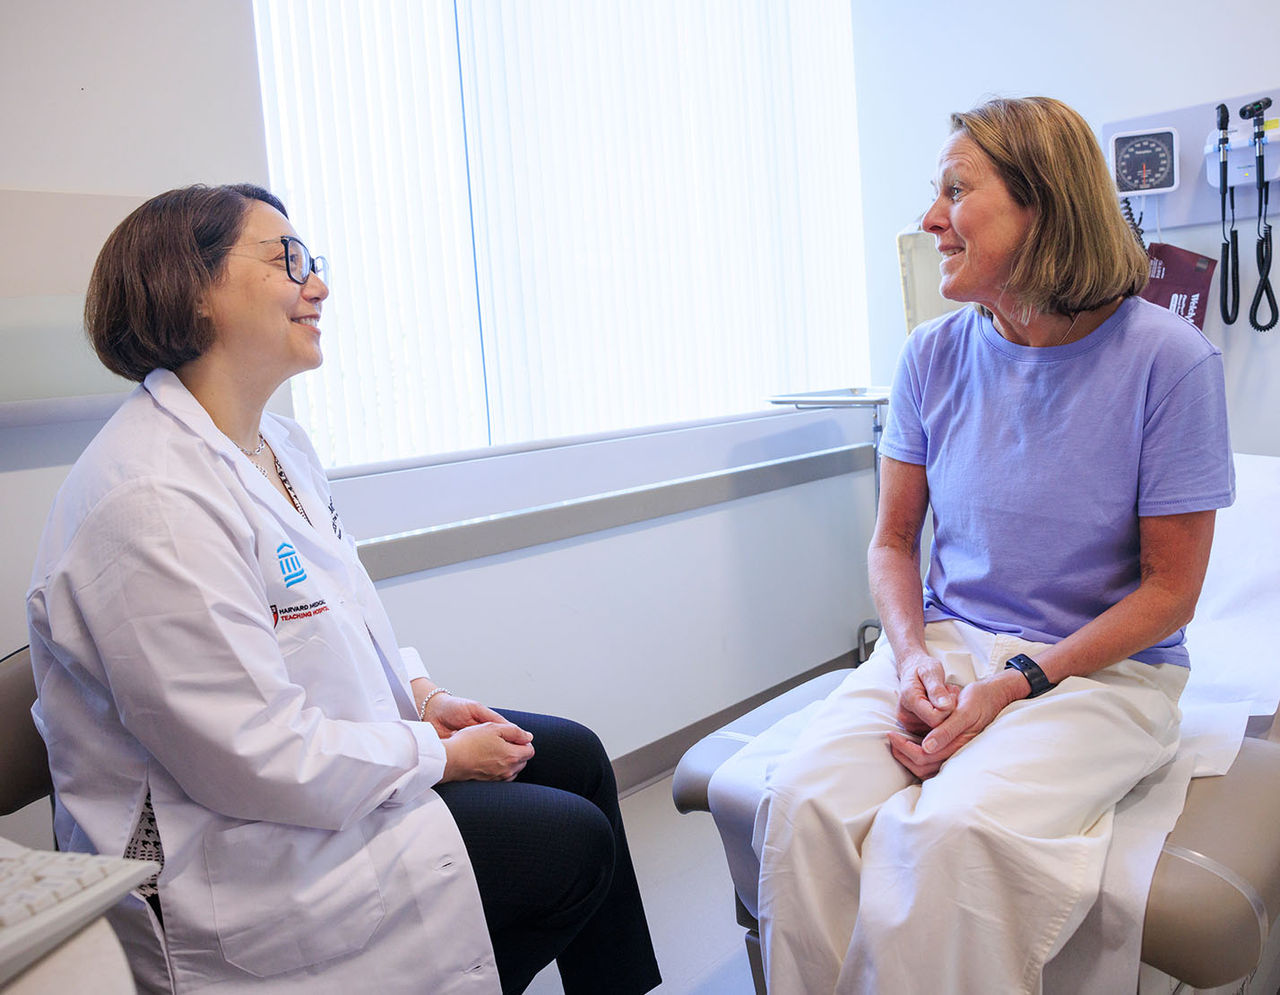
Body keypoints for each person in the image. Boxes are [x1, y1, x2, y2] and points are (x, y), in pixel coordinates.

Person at [26, 184, 661, 995]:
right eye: (287, 260)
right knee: (568, 844)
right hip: (230, 849)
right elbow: (251, 754)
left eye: (312, 261)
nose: (317, 283)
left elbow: (344, 616)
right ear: (193, 290)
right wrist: (435, 754)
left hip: (321, 765)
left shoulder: (279, 445)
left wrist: (424, 698)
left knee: (573, 755)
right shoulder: (149, 498)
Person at [751, 97, 1234, 993]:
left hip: (1100, 673)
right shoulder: (931, 355)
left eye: (954, 191)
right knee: (803, 801)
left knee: (945, 838)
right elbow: (893, 541)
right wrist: (908, 660)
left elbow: (1171, 593)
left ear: (1043, 206)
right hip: (945, 644)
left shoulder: (1169, 362)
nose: (930, 219)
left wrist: (1017, 683)